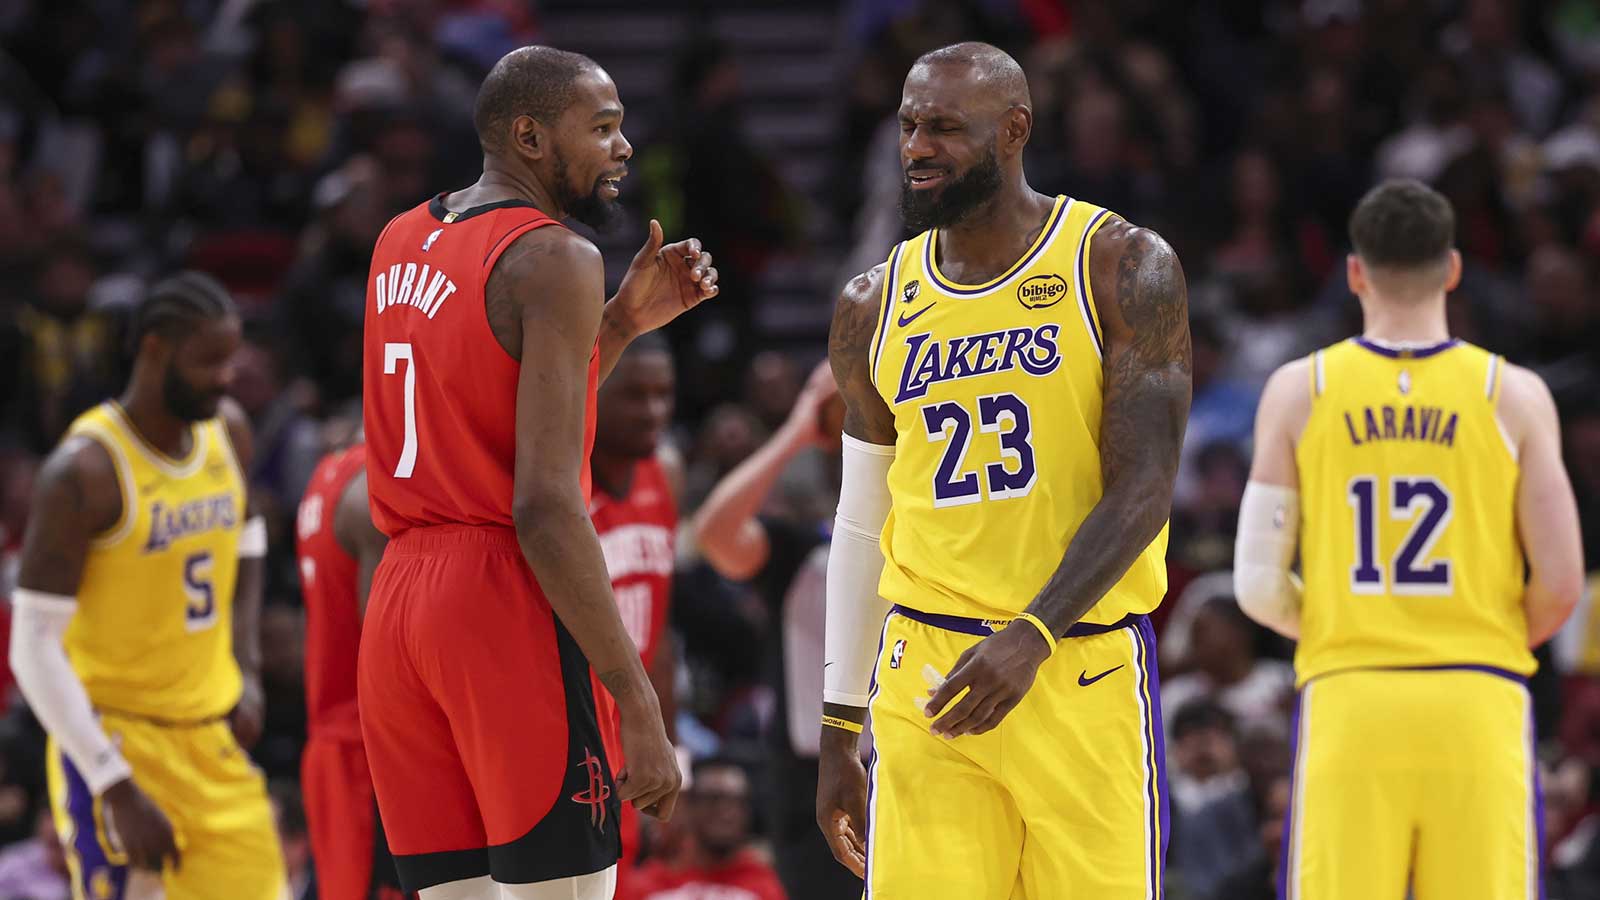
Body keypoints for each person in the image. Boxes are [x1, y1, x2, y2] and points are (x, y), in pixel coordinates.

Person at [818, 42, 1192, 899]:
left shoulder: (1120, 264)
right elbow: (862, 518)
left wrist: (1032, 635)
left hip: (1075, 666)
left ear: (1014, 130)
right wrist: (840, 721)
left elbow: (1144, 489)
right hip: (926, 679)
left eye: (945, 129)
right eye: (910, 126)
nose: (917, 148)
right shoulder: (871, 304)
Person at [357, 46, 718, 899]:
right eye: (602, 128)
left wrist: (620, 327)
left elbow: (481, 404)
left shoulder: (398, 237)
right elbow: (547, 508)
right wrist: (637, 699)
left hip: (402, 607)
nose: (624, 147)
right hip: (500, 598)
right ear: (528, 136)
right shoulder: (556, 254)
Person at [1237, 178, 1586, 899]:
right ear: (1453, 269)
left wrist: (1347, 625)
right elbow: (1560, 583)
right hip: (1477, 699)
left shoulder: (1301, 388)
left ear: (1354, 271)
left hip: (1351, 698)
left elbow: (1257, 585)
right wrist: (1473, 635)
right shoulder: (1514, 394)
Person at [8, 272, 286, 897]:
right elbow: (31, 648)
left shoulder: (229, 432)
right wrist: (112, 783)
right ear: (155, 348)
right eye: (210, 361)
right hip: (116, 744)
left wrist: (247, 663)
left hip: (210, 741)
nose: (227, 377)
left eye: (232, 358)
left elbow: (249, 543)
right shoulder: (84, 472)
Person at [585, 332, 684, 879]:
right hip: (573, 729)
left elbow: (662, 636)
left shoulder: (665, 474)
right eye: (635, 395)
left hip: (634, 734)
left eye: (663, 394)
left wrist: (674, 755)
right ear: (593, 392)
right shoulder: (561, 488)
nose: (654, 412)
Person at [295, 432, 404, 900]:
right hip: (374, 761)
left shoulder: (330, 470)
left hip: (333, 745)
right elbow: (389, 664)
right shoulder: (375, 494)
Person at [617, 759, 786, 900]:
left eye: (737, 802)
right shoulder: (646, 883)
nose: (726, 812)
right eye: (714, 799)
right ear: (689, 807)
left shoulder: (764, 883)